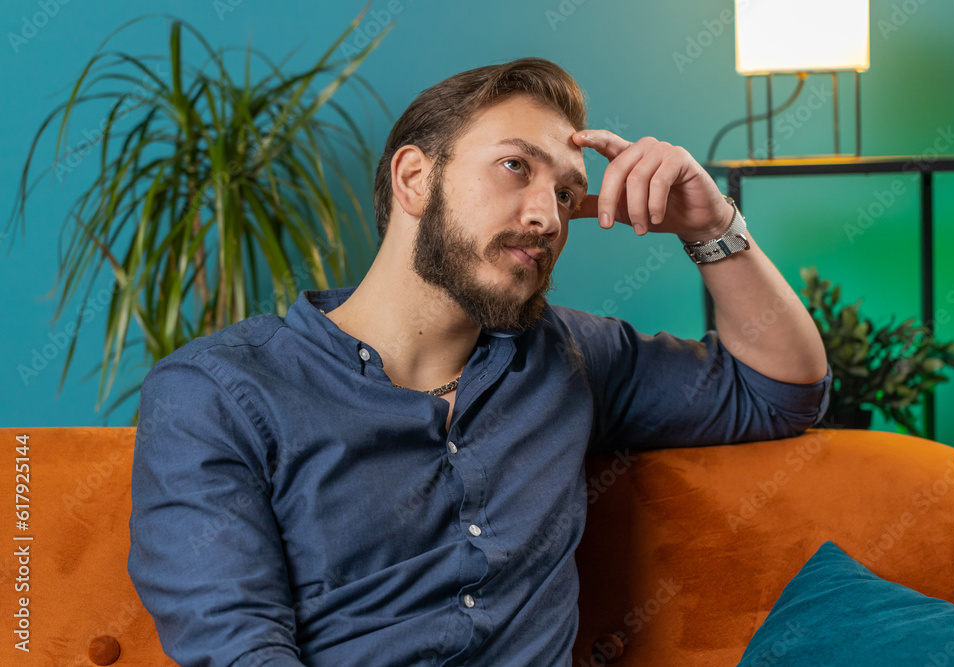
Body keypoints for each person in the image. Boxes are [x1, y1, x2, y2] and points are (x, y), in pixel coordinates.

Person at [127, 57, 831, 667]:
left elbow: (782, 392)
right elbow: (240, 647)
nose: (548, 217)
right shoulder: (216, 392)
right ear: (413, 179)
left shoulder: (572, 357)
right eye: (514, 166)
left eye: (564, 192)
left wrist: (712, 227)